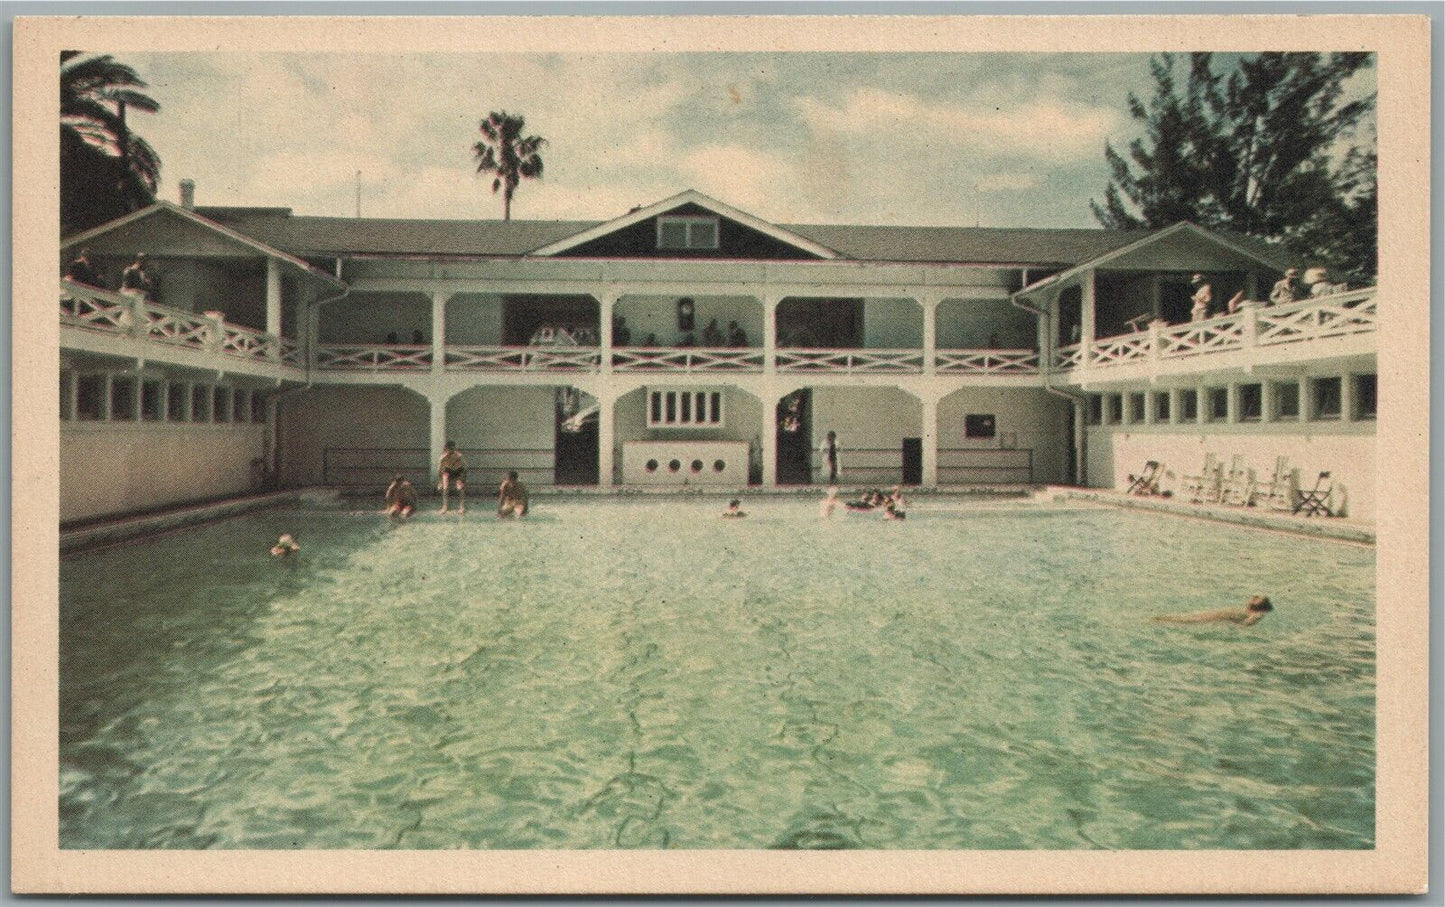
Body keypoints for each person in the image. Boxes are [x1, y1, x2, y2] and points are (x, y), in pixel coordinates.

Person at [1152, 595, 1274, 626]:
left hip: (1217, 619)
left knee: (1184, 621)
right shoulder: (1249, 612)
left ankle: (1158, 621)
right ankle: (1158, 620)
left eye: (1258, 598)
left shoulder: (1256, 614)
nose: (1254, 597)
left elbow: (1246, 624)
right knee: (1182, 619)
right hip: (1215, 616)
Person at [437, 441, 466, 513]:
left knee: (459, 486)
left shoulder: (459, 456)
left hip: (459, 470)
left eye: (452, 449)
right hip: (448, 471)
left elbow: (465, 468)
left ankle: (461, 507)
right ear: (446, 449)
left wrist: (462, 480)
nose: (450, 451)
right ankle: (445, 506)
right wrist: (440, 482)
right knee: (445, 486)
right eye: (448, 449)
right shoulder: (443, 457)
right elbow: (440, 470)